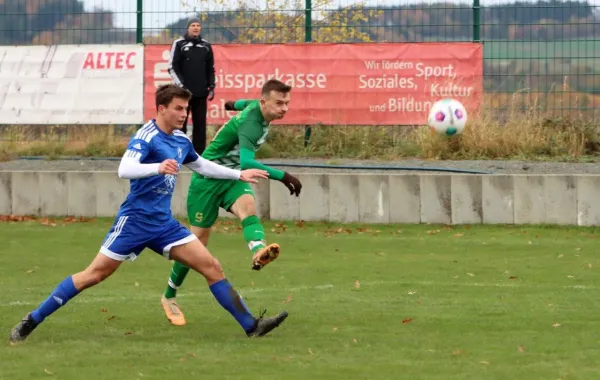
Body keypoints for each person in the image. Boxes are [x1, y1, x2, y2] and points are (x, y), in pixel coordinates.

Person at [9, 84, 288, 343]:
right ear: (161, 109)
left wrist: (239, 173)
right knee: (93, 275)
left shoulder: (180, 140)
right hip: (135, 223)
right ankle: (32, 319)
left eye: (186, 109)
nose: (183, 114)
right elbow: (124, 169)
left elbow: (202, 165)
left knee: (212, 267)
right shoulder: (147, 136)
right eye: (178, 108)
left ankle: (252, 325)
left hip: (164, 224)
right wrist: (156, 167)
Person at [160, 78, 302, 327]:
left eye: (287, 103)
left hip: (233, 177)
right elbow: (247, 162)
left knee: (248, 207)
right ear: (264, 102)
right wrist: (284, 176)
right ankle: (169, 295)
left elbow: (245, 103)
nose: (284, 109)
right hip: (207, 180)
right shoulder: (252, 124)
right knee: (196, 243)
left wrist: (230, 104)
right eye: (279, 103)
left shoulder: (257, 108)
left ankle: (258, 250)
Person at [168, 16, 215, 154]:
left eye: (198, 25)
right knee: (180, 123)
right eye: (193, 25)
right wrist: (182, 87)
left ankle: (199, 154)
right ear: (188, 28)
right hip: (183, 94)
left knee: (200, 124)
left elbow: (210, 69)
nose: (196, 28)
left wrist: (211, 86)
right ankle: (179, 151)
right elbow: (172, 67)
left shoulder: (206, 45)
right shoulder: (179, 43)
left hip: (201, 93)